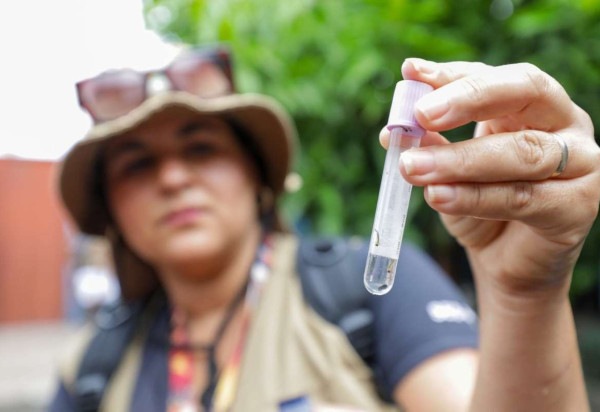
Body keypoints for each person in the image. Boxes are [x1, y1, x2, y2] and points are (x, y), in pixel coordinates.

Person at [48, 42, 599, 412]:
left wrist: (523, 296)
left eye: (201, 148)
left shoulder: (362, 291)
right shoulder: (92, 367)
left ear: (256, 175)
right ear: (110, 207)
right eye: (137, 164)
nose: (172, 179)